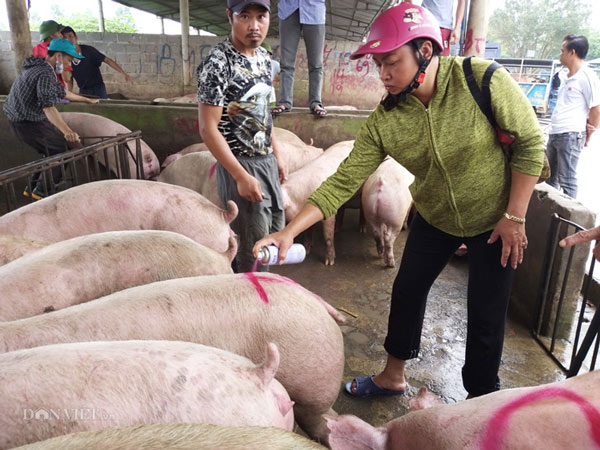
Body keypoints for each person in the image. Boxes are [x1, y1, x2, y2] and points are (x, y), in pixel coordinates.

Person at [254, 2, 545, 398]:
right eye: (378, 65)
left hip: (495, 219)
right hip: (434, 216)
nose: (384, 75)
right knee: (406, 291)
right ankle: (393, 376)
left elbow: (530, 144)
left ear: (425, 51)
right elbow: (343, 180)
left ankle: (481, 399)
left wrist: (515, 215)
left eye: (391, 62)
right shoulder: (386, 119)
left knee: (486, 315)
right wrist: (289, 232)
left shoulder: (481, 80)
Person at [196, 0, 287, 273]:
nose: (254, 25)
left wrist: (277, 156)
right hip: (240, 164)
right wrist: (240, 176)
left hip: (266, 161)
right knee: (251, 247)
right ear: (229, 16)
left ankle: (261, 292)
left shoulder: (263, 59)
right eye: (244, 16)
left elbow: (262, 113)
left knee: (272, 235)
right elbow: (208, 128)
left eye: (261, 16)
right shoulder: (217, 63)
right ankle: (248, 301)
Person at [3, 38, 98, 200]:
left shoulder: (40, 68)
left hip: (19, 120)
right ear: (59, 56)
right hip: (28, 122)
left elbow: (62, 92)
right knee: (63, 149)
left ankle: (32, 186)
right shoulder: (45, 73)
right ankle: (43, 191)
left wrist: (86, 100)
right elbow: (48, 106)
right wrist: (68, 131)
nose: (69, 65)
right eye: (69, 59)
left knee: (50, 149)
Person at [546, 34, 600, 199]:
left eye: (563, 51)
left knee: (567, 180)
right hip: (556, 132)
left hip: (570, 134)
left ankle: (569, 221)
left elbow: (596, 108)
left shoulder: (586, 76)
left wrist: (590, 131)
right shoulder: (566, 76)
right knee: (549, 179)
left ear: (572, 52)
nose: (560, 54)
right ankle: (549, 216)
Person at [272, 0, 327, 117]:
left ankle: (316, 103)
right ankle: (285, 102)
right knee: (286, 62)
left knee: (316, 63)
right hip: (288, 9)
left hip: (314, 9)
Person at [61, 26, 133, 99]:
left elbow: (107, 60)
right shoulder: (66, 58)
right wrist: (69, 93)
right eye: (65, 38)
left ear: (76, 37)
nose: (68, 40)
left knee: (101, 108)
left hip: (98, 88)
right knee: (87, 110)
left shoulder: (89, 51)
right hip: (84, 91)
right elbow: (70, 79)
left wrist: (124, 74)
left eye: (70, 36)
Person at [32, 19, 71, 89]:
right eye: (59, 33)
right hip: (55, 91)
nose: (61, 36)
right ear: (52, 35)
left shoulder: (36, 49)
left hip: (42, 89)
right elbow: (67, 78)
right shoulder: (62, 50)